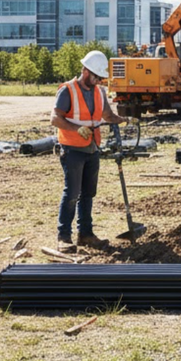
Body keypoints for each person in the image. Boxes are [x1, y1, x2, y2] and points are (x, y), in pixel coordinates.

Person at [50, 49, 131, 251]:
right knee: (72, 193)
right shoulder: (67, 90)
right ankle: (64, 237)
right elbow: (55, 119)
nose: (99, 81)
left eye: (101, 78)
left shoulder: (98, 92)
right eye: (97, 77)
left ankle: (85, 234)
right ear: (86, 71)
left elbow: (107, 115)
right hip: (72, 149)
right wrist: (77, 129)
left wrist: (124, 120)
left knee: (88, 193)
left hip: (92, 149)